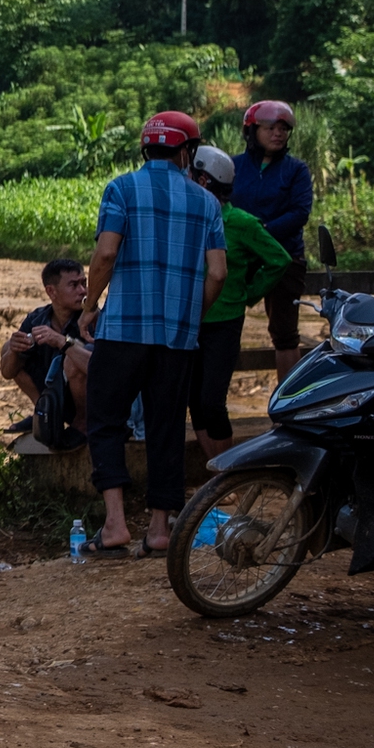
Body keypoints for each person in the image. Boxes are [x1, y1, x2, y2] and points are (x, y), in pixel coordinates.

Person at [81, 112, 227, 557]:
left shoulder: (122, 188)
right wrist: (190, 315)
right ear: (187, 152)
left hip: (123, 329)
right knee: (166, 428)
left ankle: (115, 525)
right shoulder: (207, 203)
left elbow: (106, 253)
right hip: (176, 339)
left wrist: (89, 307)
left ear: (146, 149)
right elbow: (218, 273)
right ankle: (161, 530)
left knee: (105, 420)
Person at [188, 145, 291, 459]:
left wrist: (248, 293)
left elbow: (278, 259)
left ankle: (226, 471)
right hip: (190, 319)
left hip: (224, 322)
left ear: (204, 181)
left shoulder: (242, 223)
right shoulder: (188, 219)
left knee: (211, 401)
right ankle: (213, 472)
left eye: (191, 175)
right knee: (194, 400)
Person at [230, 100, 313, 382]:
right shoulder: (233, 166)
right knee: (224, 326)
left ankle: (289, 403)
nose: (278, 134)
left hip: (284, 257)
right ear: (252, 131)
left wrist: (261, 234)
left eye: (283, 129)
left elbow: (300, 212)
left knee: (285, 333)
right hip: (238, 257)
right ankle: (212, 404)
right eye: (270, 128)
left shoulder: (295, 170)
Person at [0, 260, 91, 432]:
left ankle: (82, 421)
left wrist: (63, 342)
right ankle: (41, 411)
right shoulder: (36, 320)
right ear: (51, 291)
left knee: (74, 362)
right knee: (10, 348)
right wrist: (14, 349)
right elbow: (8, 372)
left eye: (83, 283)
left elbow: (99, 368)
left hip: (91, 400)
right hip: (55, 394)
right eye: (74, 285)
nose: (83, 291)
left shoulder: (92, 320)